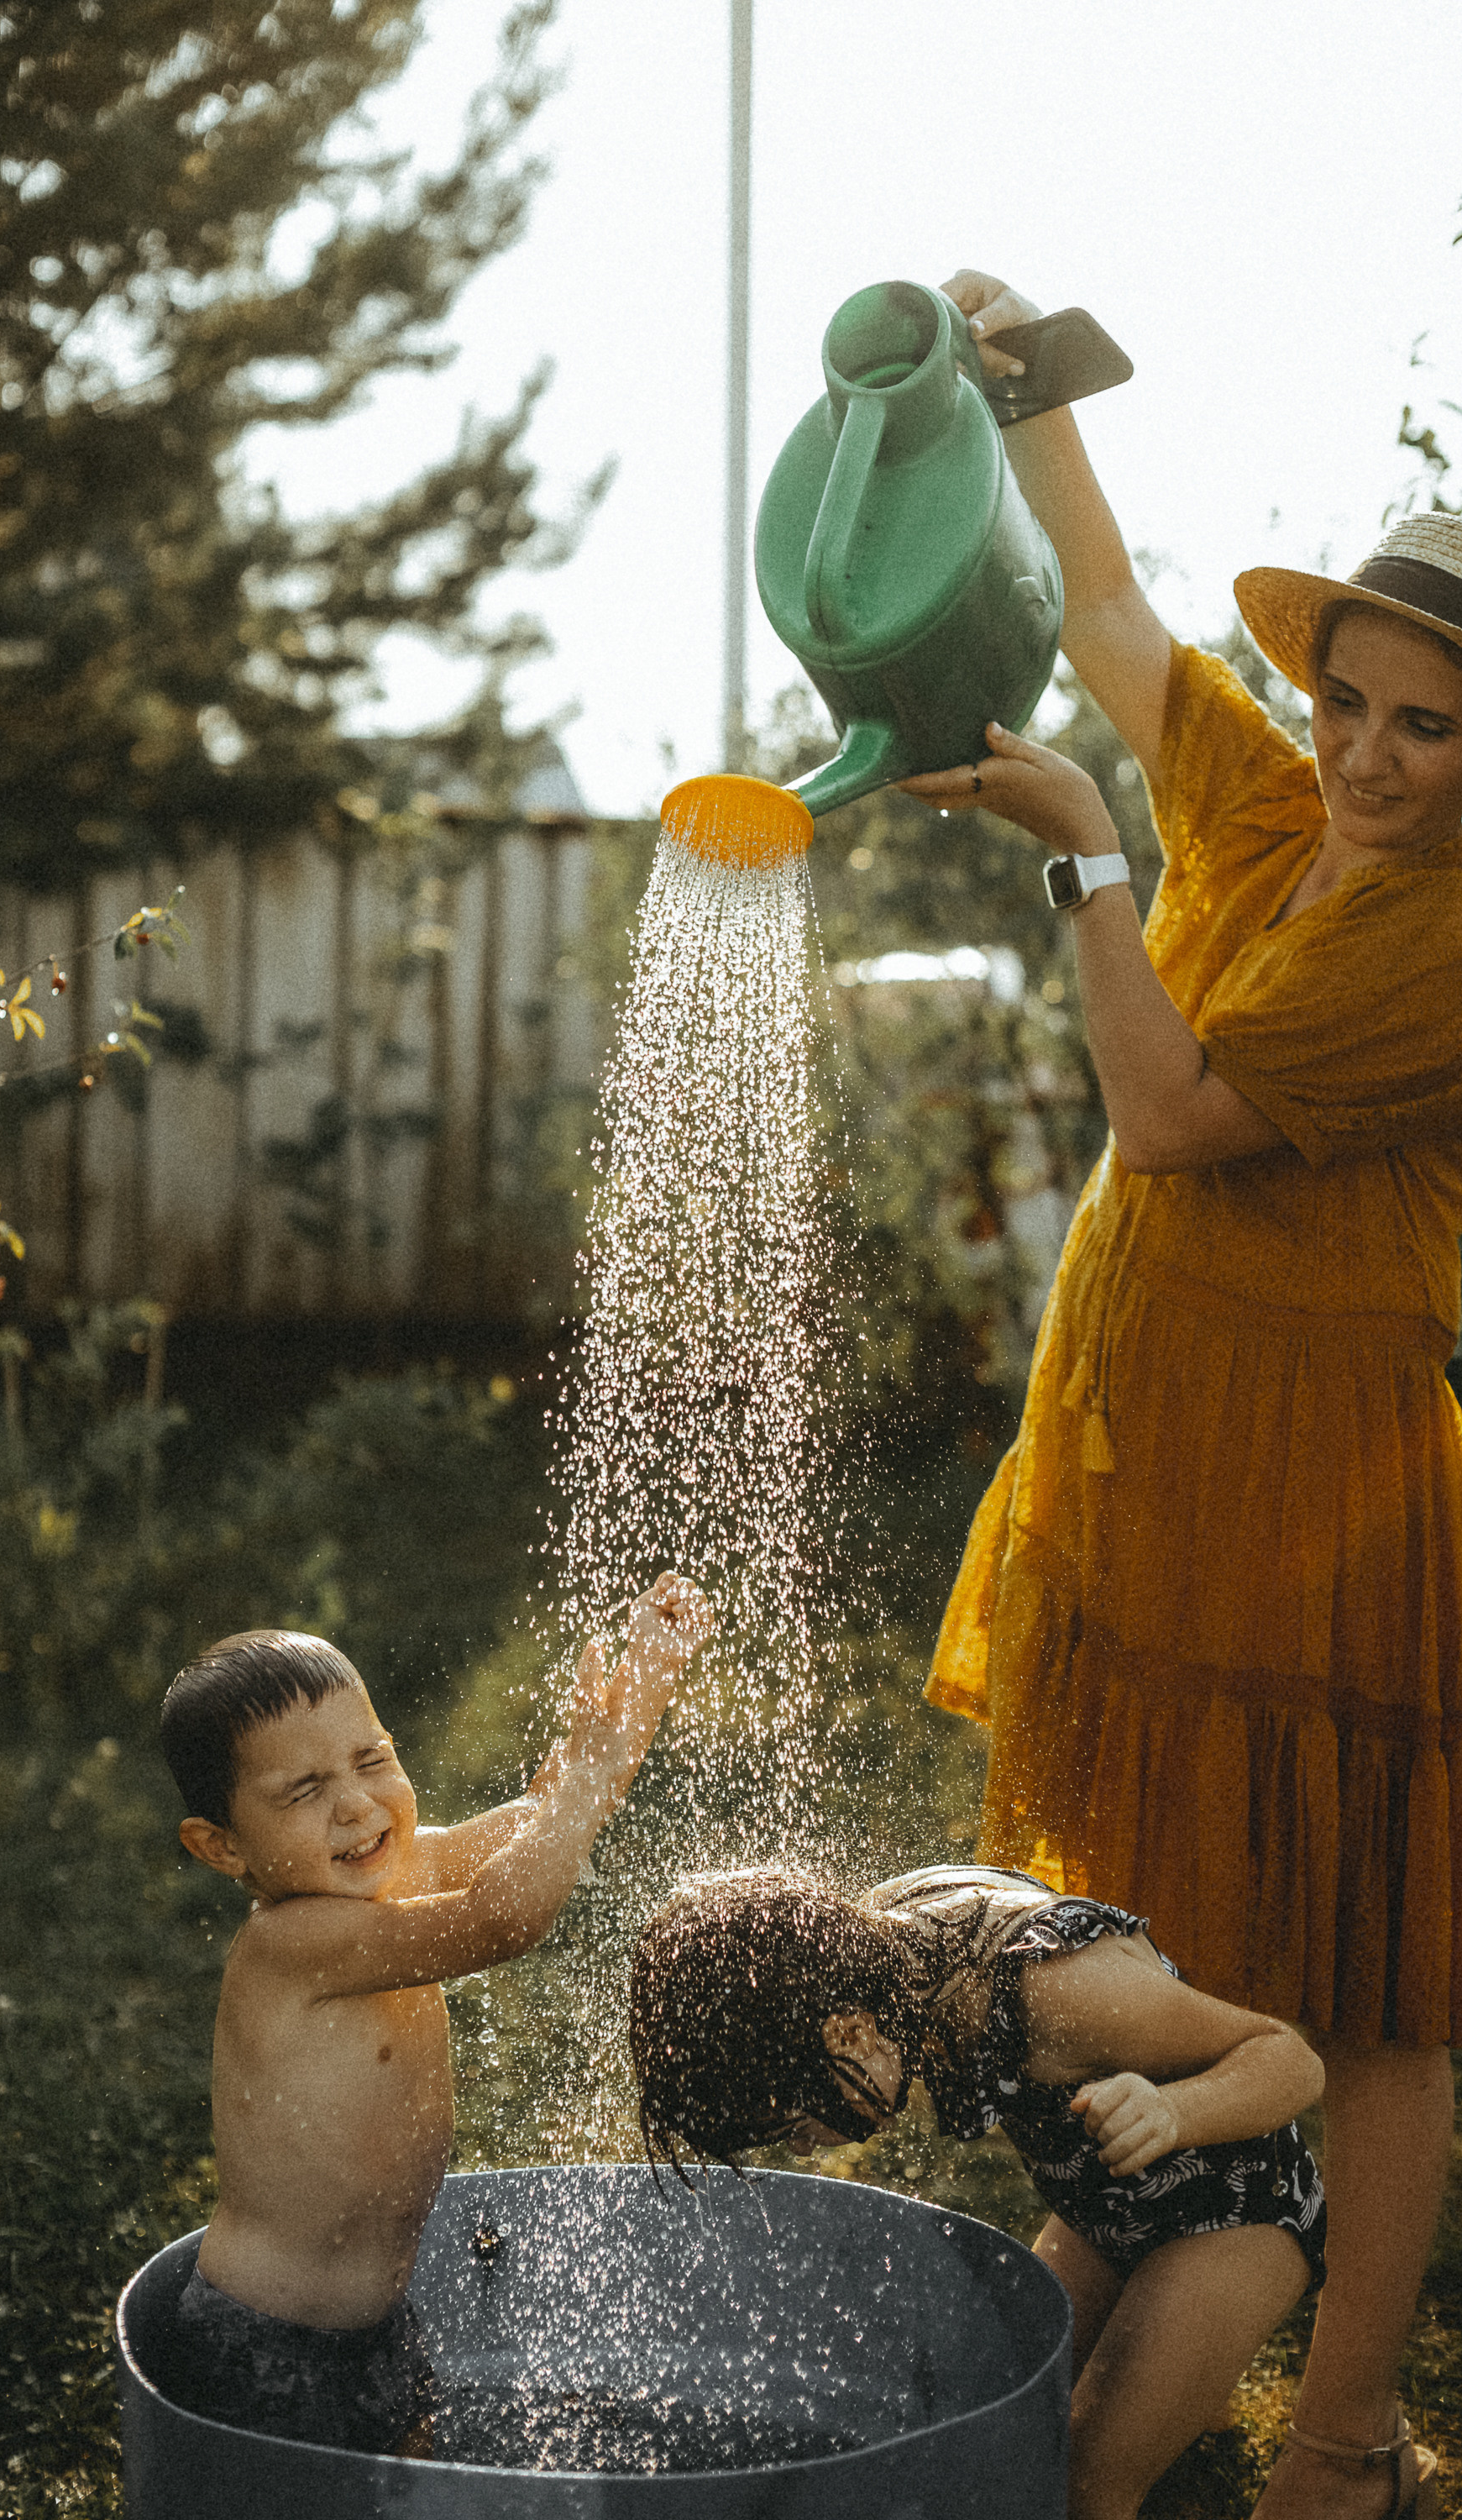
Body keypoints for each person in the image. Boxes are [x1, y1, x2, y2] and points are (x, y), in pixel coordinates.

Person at [904, 267, 1462, 2520]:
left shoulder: (1436, 936)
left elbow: (1167, 1114)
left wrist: (1082, 861)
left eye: (1430, 727)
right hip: (1161, 1466)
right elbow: (1121, 612)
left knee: (1384, 2003)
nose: (1367, 751)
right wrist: (1031, 387)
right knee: (1158, 1936)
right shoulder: (1275, 806)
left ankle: (1335, 2443)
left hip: (1322, 1486)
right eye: (1352, 700)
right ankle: (1133, 2288)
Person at [156, 1571, 712, 2452]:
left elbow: (548, 1819)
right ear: (221, 1846)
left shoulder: (399, 1869)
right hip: (268, 2345)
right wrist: (585, 1780)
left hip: (378, 2322)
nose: (356, 1803)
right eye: (303, 1791)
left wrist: (633, 1699)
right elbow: (504, 1917)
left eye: (372, 1758)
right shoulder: (288, 1947)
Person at [629, 1861, 1328, 2520]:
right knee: (990, 2418)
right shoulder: (877, 1956)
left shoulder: (1058, 1990)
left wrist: (1174, 2114)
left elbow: (1289, 2060)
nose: (806, 2147)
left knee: (1083, 2482)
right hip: (1100, 2210)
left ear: (846, 2030)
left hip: (1235, 2210)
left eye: (796, 2125)